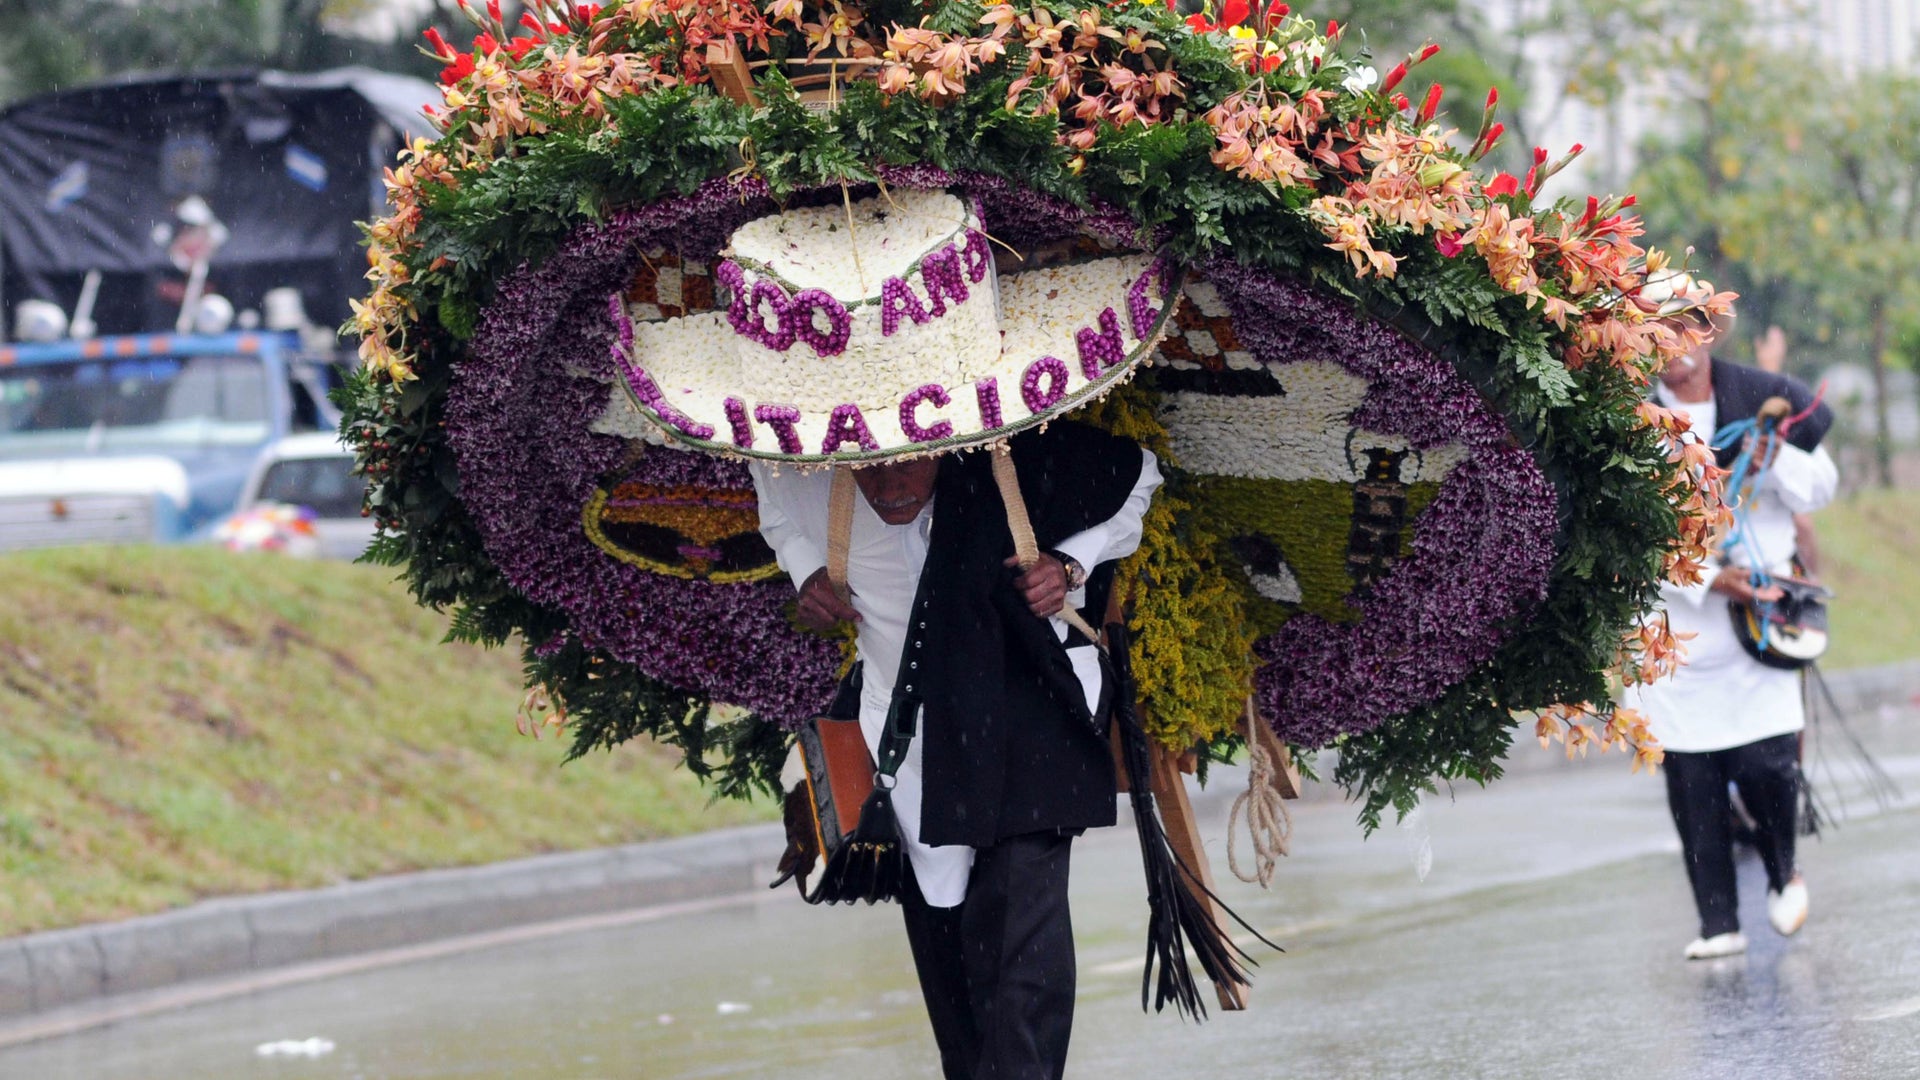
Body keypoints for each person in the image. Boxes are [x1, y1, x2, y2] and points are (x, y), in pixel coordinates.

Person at [752, 422, 1161, 1079]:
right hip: (909, 746)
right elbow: (772, 502)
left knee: (1020, 951)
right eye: (869, 466)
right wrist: (807, 573)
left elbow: (1138, 474)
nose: (889, 485)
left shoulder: (1017, 454)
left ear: (943, 440)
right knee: (949, 965)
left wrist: (1069, 564)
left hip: (1029, 716)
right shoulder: (803, 477)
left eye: (908, 462)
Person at [1629, 278, 1838, 961]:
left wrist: (1772, 462)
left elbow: (1822, 485)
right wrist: (1711, 580)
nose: (1672, 345)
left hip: (1761, 623)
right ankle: (1717, 922)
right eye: (1655, 331)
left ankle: (1785, 874)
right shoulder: (1627, 421)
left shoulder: (1762, 395)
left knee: (1768, 763)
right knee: (1692, 778)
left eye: (1683, 327)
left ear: (1707, 330)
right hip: (1681, 629)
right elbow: (1625, 536)